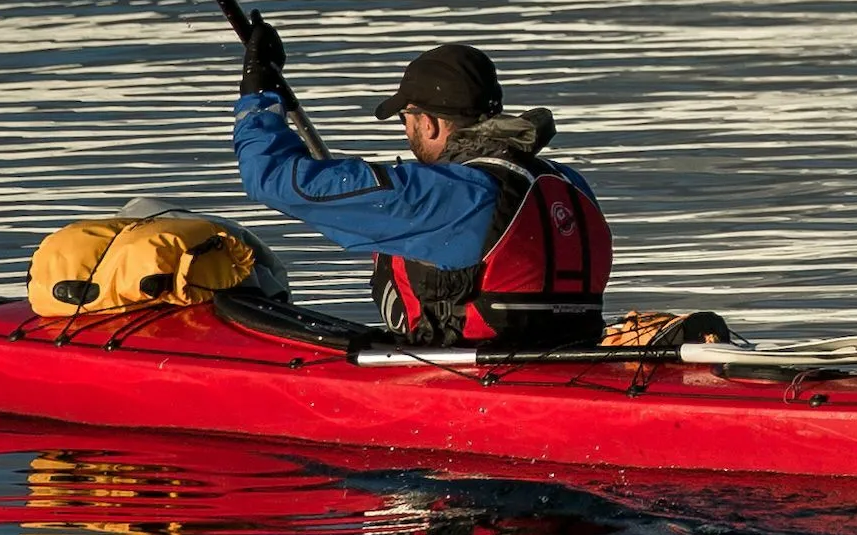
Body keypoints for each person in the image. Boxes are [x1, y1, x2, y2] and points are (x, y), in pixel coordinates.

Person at [233, 22, 615, 347]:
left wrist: (259, 98)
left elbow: (271, 177)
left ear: (428, 123)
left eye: (405, 119)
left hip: (466, 376)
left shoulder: (443, 197)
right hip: (570, 359)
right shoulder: (567, 183)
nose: (407, 131)